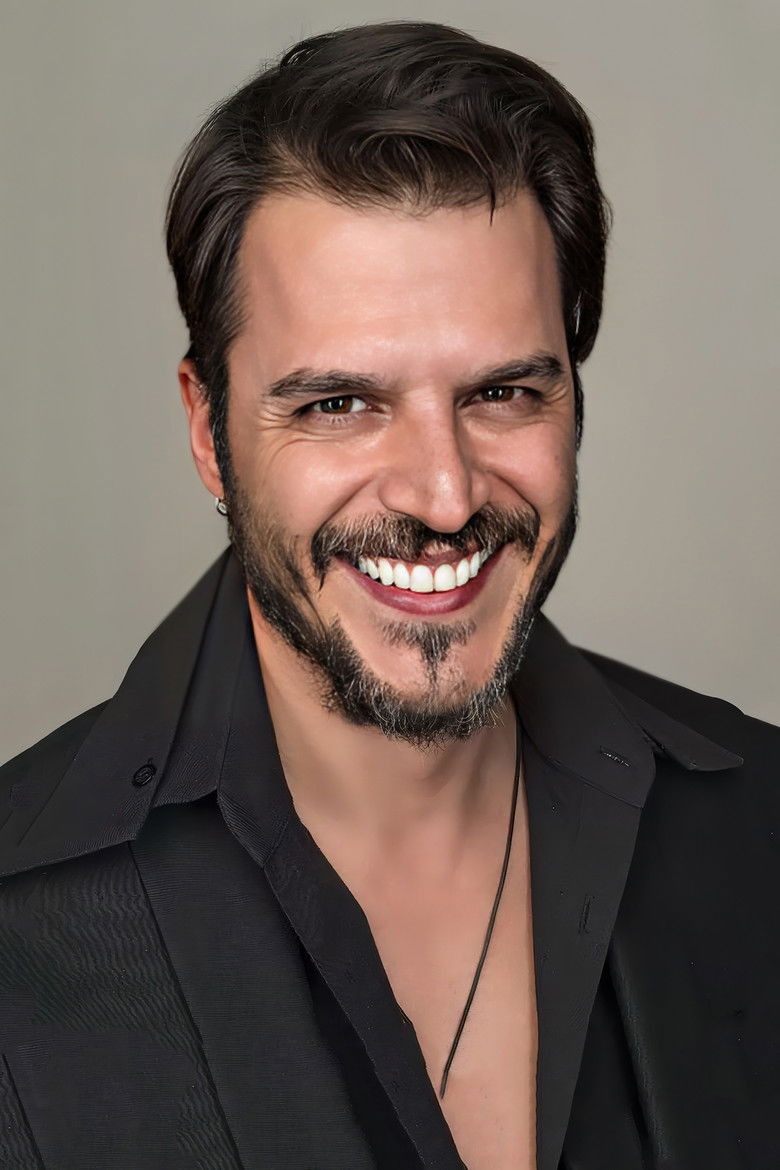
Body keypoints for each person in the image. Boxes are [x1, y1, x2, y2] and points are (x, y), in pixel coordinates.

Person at [0, 20, 775, 1170]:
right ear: (210, 432)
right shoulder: (20, 923)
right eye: (339, 405)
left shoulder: (760, 824)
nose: (445, 496)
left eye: (503, 392)